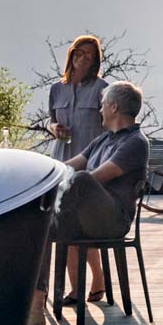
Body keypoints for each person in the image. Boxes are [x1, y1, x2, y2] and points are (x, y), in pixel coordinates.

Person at [28, 81, 149, 325]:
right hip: (84, 217)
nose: (100, 109)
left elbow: (95, 179)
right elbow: (66, 167)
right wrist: (39, 174)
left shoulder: (135, 142)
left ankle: (48, 213)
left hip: (113, 220)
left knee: (82, 180)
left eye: (103, 104)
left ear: (113, 107)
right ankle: (35, 306)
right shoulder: (103, 139)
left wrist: (55, 192)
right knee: (41, 224)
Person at [47, 35, 109, 304]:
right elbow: (50, 121)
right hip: (60, 165)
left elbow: (111, 128)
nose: (84, 58)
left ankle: (82, 287)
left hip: (90, 170)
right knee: (65, 227)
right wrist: (54, 128)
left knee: (79, 228)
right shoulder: (56, 89)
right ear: (71, 54)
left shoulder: (103, 89)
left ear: (95, 61)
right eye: (80, 53)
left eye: (90, 55)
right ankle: (90, 283)